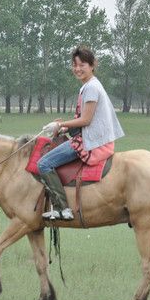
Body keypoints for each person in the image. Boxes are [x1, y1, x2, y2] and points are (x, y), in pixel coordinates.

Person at [36, 46, 125, 221]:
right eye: (74, 65)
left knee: (43, 164)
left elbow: (86, 120)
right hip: (91, 138)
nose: (77, 69)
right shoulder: (90, 85)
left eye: (82, 64)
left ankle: (63, 209)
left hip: (90, 143)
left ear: (92, 65)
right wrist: (65, 128)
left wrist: (59, 124)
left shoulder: (91, 88)